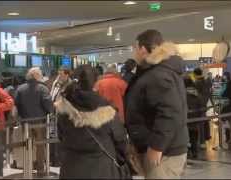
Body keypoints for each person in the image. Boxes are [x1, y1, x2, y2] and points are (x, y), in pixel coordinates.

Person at [124, 29, 189, 179]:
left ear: (142, 49)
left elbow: (169, 113)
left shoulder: (158, 74)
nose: (134, 53)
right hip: (161, 148)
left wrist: (156, 147)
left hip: (164, 152)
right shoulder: (155, 72)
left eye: (135, 48)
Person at [54, 64, 130, 179]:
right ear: (96, 82)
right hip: (103, 168)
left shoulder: (64, 107)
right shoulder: (107, 109)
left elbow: (61, 135)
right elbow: (120, 140)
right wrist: (121, 159)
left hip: (71, 167)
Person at [14, 67, 54, 174]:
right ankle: (40, 169)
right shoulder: (43, 88)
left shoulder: (20, 88)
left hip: (25, 121)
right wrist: (50, 112)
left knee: (27, 145)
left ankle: (27, 168)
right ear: (36, 76)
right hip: (40, 121)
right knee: (40, 146)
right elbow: (48, 105)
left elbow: (16, 104)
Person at [193, 68, 212, 147]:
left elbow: (196, 95)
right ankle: (204, 140)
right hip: (204, 105)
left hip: (198, 106)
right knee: (203, 122)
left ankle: (201, 142)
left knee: (199, 124)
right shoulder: (206, 82)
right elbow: (209, 94)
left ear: (195, 74)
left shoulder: (197, 83)